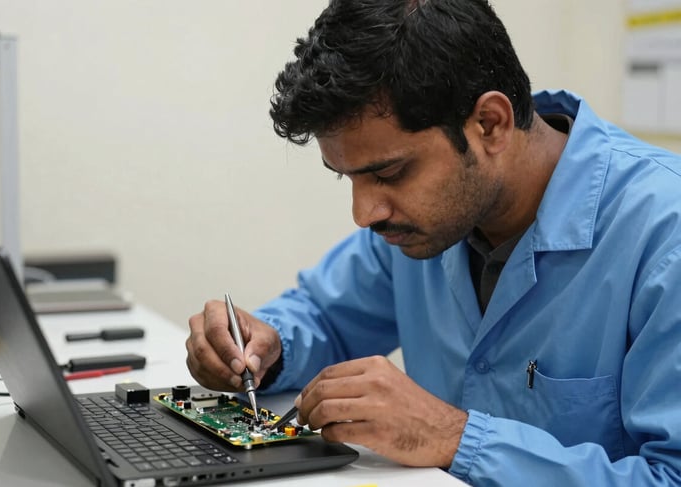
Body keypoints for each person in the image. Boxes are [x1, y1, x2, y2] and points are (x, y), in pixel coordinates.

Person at [185, 0, 681, 485]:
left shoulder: (664, 235)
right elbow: (326, 316)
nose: (364, 214)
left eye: (390, 172)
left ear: (490, 124)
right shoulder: (422, 224)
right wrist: (269, 345)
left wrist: (457, 438)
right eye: (347, 179)